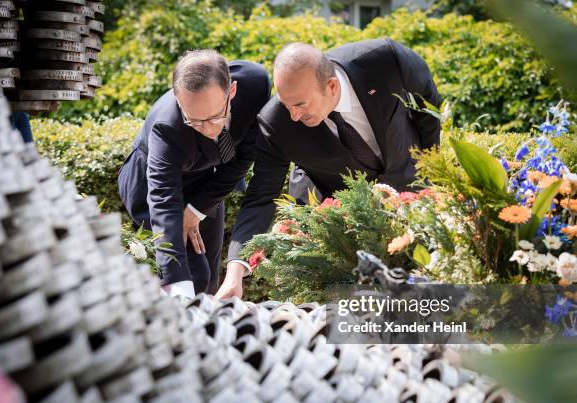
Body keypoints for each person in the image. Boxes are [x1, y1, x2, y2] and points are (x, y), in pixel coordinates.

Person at [216, 38, 441, 299]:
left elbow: (428, 104)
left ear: (332, 86)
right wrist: (234, 273)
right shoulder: (276, 123)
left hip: (406, 185)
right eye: (286, 104)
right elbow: (260, 198)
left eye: (300, 104)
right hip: (336, 213)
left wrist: (430, 167)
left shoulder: (385, 59)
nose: (293, 116)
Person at [118, 50, 270, 298]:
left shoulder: (255, 85)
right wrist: (176, 284)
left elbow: (243, 155)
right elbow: (163, 200)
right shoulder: (166, 127)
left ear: (231, 92)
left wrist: (196, 209)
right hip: (153, 184)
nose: (208, 130)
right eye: (195, 122)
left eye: (214, 117)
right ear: (178, 99)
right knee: (191, 275)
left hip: (206, 178)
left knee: (208, 272)